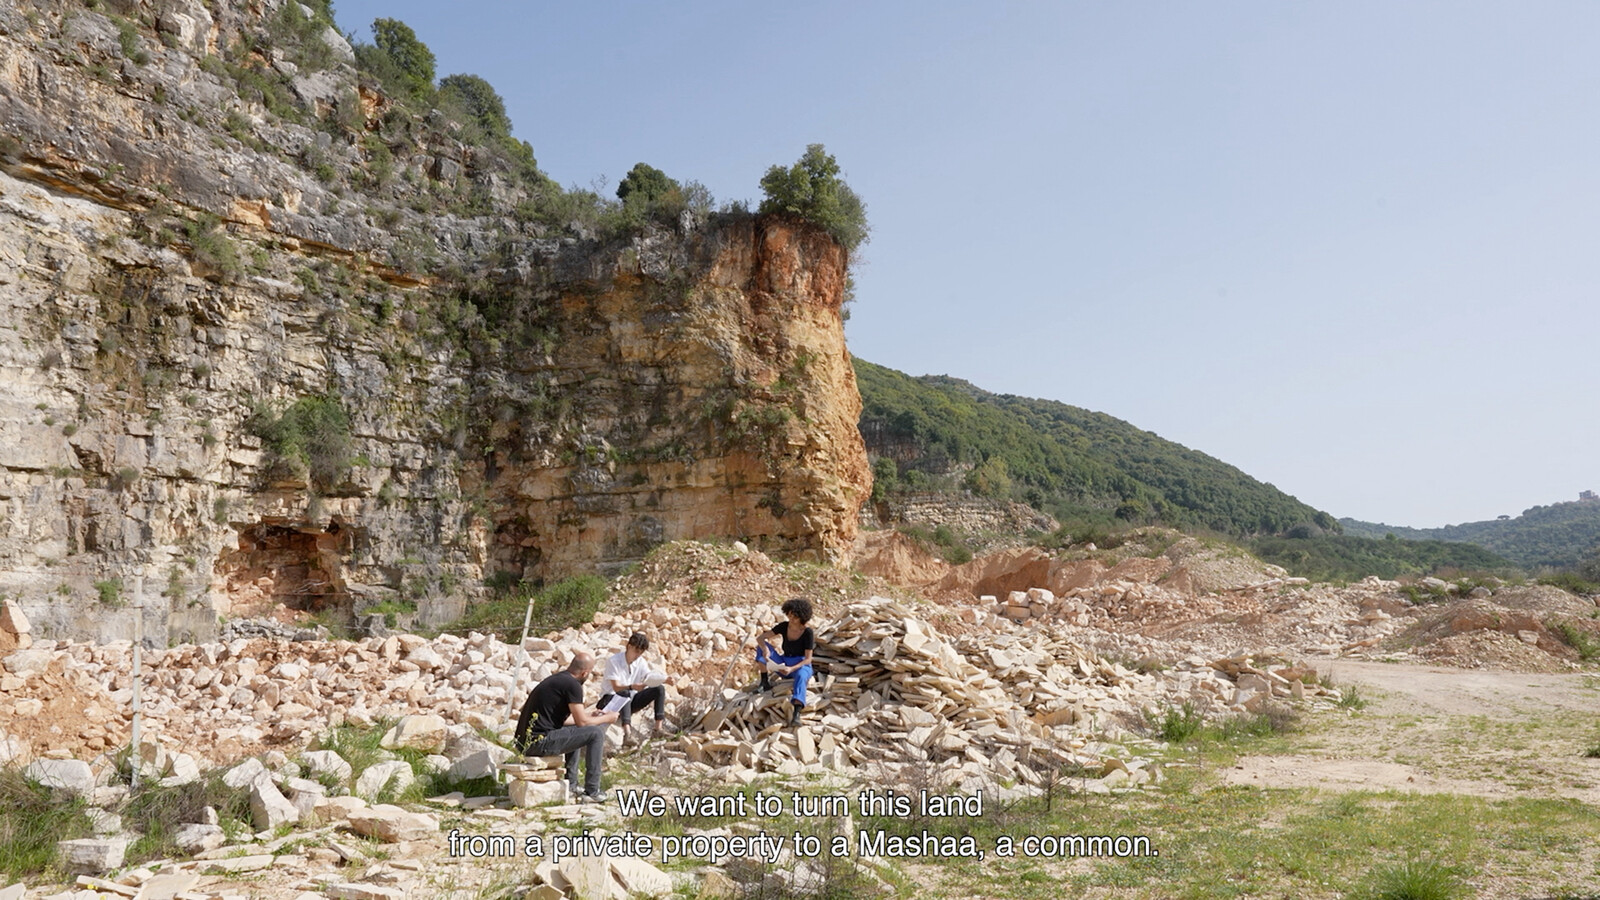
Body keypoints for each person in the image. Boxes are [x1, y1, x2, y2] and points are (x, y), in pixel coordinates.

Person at [513, 651, 618, 802]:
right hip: (538, 742)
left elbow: (569, 720)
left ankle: (571, 785)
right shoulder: (573, 685)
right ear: (585, 673)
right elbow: (582, 722)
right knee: (595, 733)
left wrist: (591, 716)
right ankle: (592, 791)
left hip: (525, 741)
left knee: (578, 731)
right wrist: (608, 718)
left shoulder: (559, 679)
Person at [596, 631, 676, 747]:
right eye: (636, 651)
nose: (638, 655)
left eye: (641, 652)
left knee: (659, 689)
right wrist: (632, 686)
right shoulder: (613, 661)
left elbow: (648, 677)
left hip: (629, 702)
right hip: (610, 702)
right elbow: (616, 687)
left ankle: (658, 729)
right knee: (625, 693)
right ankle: (627, 734)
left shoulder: (640, 662)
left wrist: (664, 679)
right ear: (629, 646)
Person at [754, 597, 815, 727]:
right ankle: (764, 682)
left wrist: (792, 669)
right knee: (760, 648)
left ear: (802, 617)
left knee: (802, 676)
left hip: (800, 665)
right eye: (789, 615)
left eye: (795, 616)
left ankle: (796, 712)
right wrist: (765, 649)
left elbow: (808, 659)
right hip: (784, 662)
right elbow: (761, 638)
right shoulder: (784, 626)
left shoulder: (807, 632)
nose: (791, 619)